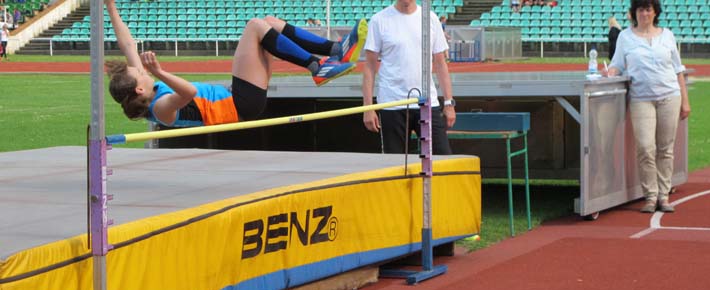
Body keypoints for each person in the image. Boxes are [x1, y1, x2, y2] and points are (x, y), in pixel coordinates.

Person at [104, 0, 367, 127]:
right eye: (138, 71)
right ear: (139, 88)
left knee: (269, 23)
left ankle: (334, 50)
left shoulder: (147, 90)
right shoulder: (160, 108)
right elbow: (189, 93)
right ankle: (317, 67)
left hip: (239, 97)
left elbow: (128, 45)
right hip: (241, 105)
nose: (140, 68)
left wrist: (110, 6)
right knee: (255, 26)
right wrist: (160, 72)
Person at [607, 0, 690, 213]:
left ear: (655, 13)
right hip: (641, 98)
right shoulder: (625, 37)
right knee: (645, 147)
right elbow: (617, 64)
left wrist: (685, 100)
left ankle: (664, 195)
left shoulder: (667, 35)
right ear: (635, 13)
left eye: (648, 9)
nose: (644, 13)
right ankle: (650, 196)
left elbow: (678, 69)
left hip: (669, 96)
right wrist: (610, 72)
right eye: (641, 9)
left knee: (665, 149)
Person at [362, 0, 455, 155]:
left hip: (426, 103)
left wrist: (449, 103)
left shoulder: (430, 19)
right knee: (395, 164)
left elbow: (440, 64)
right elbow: (369, 67)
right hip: (392, 104)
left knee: (442, 159)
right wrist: (368, 108)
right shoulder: (379, 20)